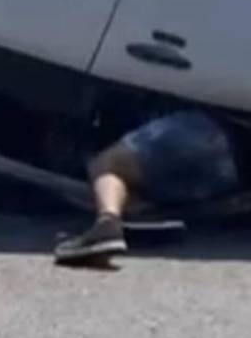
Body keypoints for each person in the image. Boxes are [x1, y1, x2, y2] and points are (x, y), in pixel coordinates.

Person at [54, 108, 240, 267]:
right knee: (126, 183)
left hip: (199, 125)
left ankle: (107, 223)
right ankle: (140, 222)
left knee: (105, 164)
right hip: (229, 169)